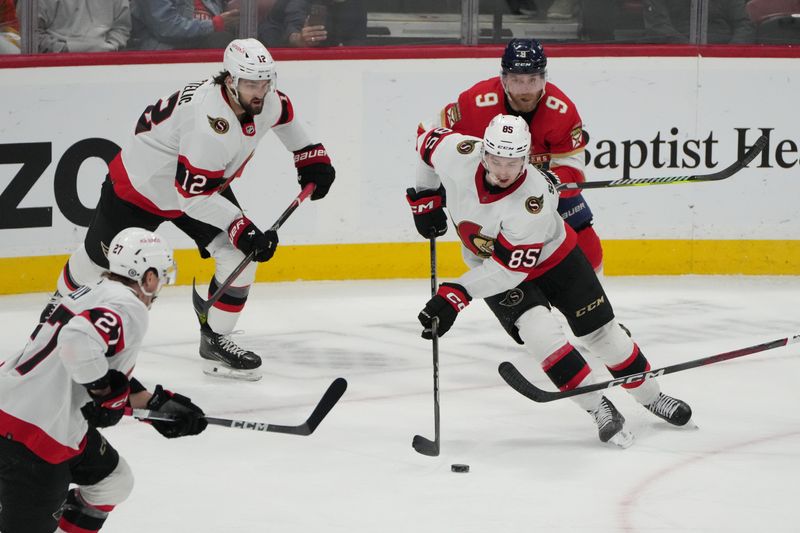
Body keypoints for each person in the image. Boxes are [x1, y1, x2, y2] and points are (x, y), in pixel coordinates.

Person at [43, 38, 336, 381]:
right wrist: (242, 227)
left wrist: (311, 155)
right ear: (229, 80)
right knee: (97, 260)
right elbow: (191, 200)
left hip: (200, 185)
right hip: (142, 187)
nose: (260, 91)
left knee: (237, 257)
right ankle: (59, 304)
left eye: (265, 82)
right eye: (251, 84)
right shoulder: (209, 125)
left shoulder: (265, 100)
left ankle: (216, 339)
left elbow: (283, 115)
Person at [407, 115, 692, 447]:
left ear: (526, 158)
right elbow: (424, 146)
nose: (502, 170)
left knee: (603, 337)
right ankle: (599, 407)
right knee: (539, 335)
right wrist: (424, 198)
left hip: (555, 259)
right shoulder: (458, 151)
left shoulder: (533, 202)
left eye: (512, 162)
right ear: (483, 151)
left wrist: (458, 293)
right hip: (489, 266)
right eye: (496, 159)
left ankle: (651, 396)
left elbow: (511, 270)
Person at [0, 228, 207, 533]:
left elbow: (85, 366)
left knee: (114, 480)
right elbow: (77, 342)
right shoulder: (130, 306)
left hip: (27, 414)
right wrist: (105, 393)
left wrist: (156, 406)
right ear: (148, 278)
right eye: (161, 277)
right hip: (32, 440)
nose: (160, 286)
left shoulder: (92, 290)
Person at [432, 39, 605, 275]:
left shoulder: (561, 110)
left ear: (544, 77)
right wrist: (434, 188)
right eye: (516, 80)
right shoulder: (476, 102)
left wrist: (549, 183)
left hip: (542, 189)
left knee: (587, 244)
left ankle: (592, 304)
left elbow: (574, 171)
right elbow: (433, 137)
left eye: (532, 80)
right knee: (501, 254)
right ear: (503, 78)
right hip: (491, 189)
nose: (525, 89)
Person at [129, 0, 239, 50]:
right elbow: (166, 28)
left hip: (206, 41)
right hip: (167, 49)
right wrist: (214, 25)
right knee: (225, 42)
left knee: (242, 42)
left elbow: (223, 16)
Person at [32, 0, 131, 52]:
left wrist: (110, 46)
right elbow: (32, 36)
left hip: (105, 62)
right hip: (53, 65)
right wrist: (63, 49)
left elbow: (121, 28)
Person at [643, 0, 756, 43]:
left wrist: (730, 53)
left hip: (724, 57)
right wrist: (688, 50)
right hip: (675, 57)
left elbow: (744, 25)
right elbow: (658, 27)